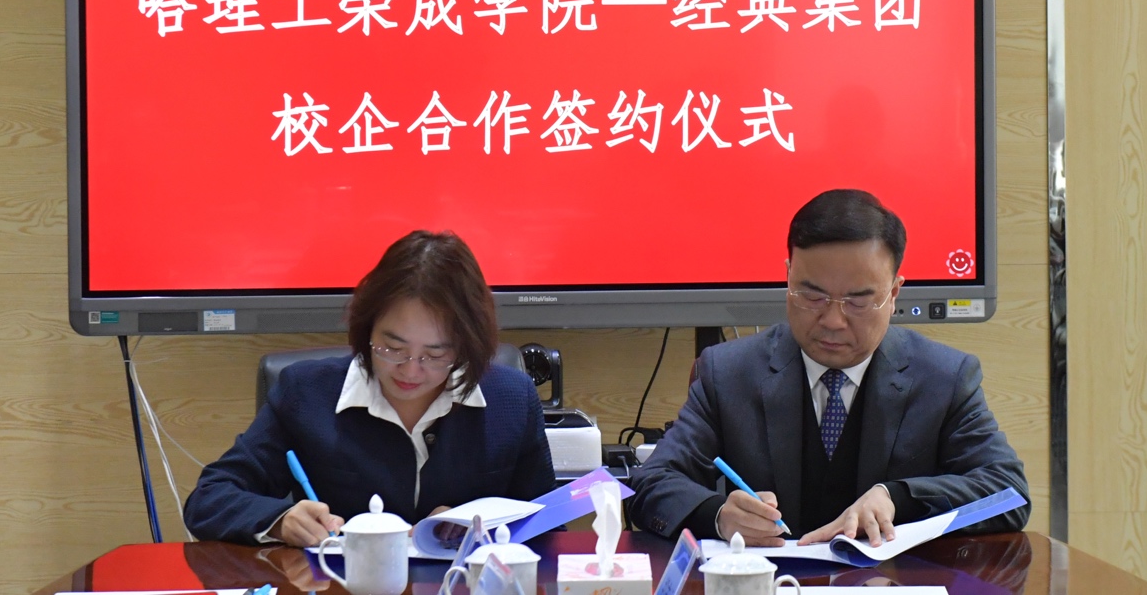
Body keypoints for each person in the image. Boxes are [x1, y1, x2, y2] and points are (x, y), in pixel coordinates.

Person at [629, 189, 1029, 547]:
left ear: (893, 294)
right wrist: (718, 516)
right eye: (812, 296)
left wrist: (898, 498)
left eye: (858, 302)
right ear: (788, 277)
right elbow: (650, 484)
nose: (834, 321)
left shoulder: (944, 377)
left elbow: (1009, 493)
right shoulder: (728, 372)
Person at [183, 230, 556, 546]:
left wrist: (480, 525)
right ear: (367, 329)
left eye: (435, 354)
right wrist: (280, 520)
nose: (410, 369)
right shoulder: (307, 393)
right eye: (392, 348)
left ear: (466, 346)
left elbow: (548, 524)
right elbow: (209, 499)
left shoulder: (511, 399)